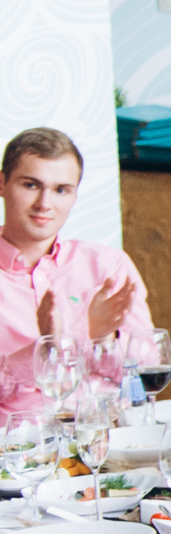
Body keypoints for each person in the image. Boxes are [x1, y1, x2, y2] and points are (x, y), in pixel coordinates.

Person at [0, 129, 154, 408]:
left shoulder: (108, 266)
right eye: (31, 185)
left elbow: (150, 378)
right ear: (1, 184)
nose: (44, 204)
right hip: (16, 445)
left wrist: (102, 342)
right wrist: (42, 354)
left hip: (111, 438)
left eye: (61, 190)